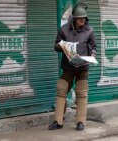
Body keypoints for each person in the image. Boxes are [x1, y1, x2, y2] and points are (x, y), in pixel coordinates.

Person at [48, 3, 97, 131]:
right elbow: (56, 47)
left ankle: (80, 122)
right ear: (74, 19)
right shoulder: (63, 29)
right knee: (61, 90)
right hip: (68, 66)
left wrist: (92, 54)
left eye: (85, 18)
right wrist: (63, 45)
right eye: (80, 18)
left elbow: (94, 47)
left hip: (83, 67)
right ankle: (58, 121)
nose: (83, 20)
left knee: (81, 92)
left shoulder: (89, 31)